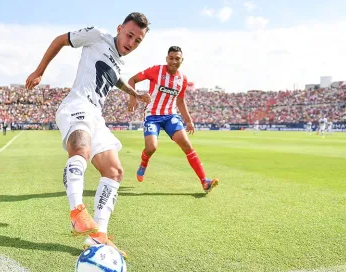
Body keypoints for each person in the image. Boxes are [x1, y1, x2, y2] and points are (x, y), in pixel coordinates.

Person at [25, 12, 151, 258]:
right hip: (77, 105)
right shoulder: (97, 35)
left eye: (138, 41)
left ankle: (99, 236)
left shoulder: (118, 62)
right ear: (119, 28)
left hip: (96, 115)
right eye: (130, 35)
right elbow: (60, 40)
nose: (132, 43)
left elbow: (114, 79)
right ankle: (76, 212)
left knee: (114, 171)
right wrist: (39, 71)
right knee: (80, 148)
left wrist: (132, 92)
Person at [127, 46, 218, 193]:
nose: (174, 61)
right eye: (171, 58)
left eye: (177, 58)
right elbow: (132, 80)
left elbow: (180, 101)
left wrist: (188, 120)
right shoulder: (156, 70)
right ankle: (144, 163)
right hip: (152, 116)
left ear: (182, 60)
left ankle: (204, 182)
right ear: (166, 59)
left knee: (187, 145)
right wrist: (133, 98)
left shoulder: (182, 79)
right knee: (151, 148)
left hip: (171, 116)